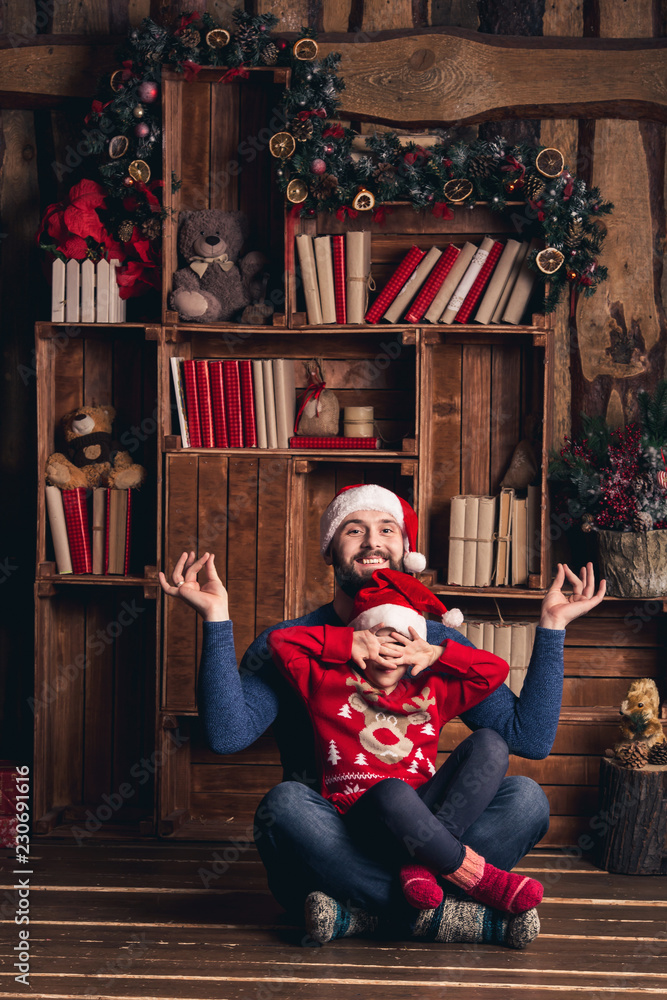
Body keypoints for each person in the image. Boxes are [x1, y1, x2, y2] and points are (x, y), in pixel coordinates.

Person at [159, 483, 606, 948]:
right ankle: (454, 913)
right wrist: (216, 618)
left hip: (423, 829)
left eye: (387, 529)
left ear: (405, 550)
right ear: (330, 549)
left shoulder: (433, 642)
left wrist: (552, 628)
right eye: (355, 529)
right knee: (285, 805)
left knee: (527, 799)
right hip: (335, 836)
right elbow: (227, 735)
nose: (373, 541)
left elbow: (527, 738)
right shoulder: (295, 642)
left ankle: (363, 915)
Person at [267, 567, 544, 924]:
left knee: (494, 748)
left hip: (425, 818)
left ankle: (414, 874)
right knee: (386, 793)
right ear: (361, 638)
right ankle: (472, 879)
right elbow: (280, 643)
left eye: (401, 643)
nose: (389, 652)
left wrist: (437, 655)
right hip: (357, 823)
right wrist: (344, 643)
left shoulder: (432, 688)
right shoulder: (326, 680)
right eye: (380, 639)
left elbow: (494, 671)